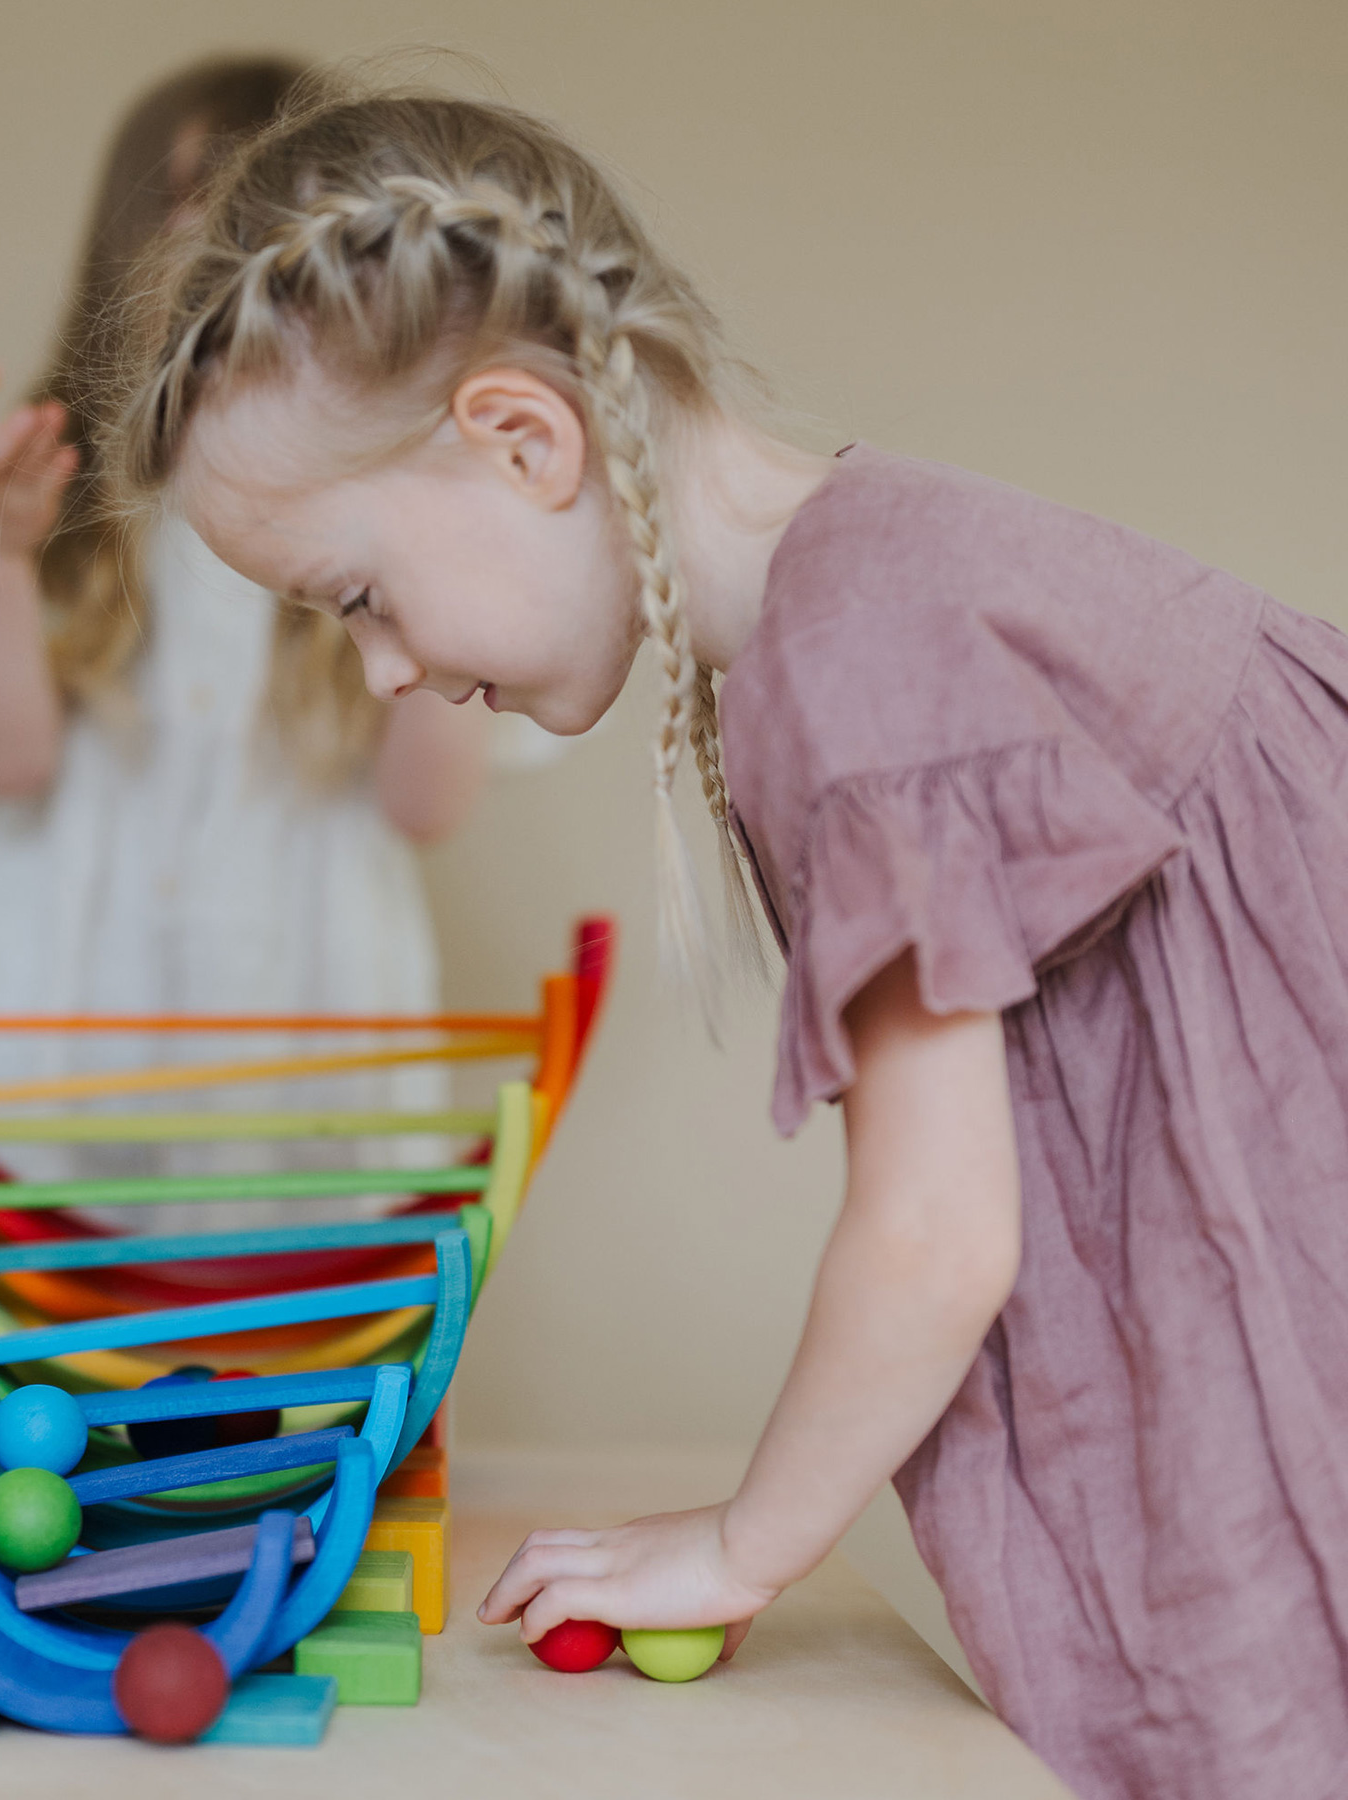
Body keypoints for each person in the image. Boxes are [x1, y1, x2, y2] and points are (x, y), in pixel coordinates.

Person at [105, 78, 1348, 1800]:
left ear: (521, 438)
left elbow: (936, 1235)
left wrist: (741, 1545)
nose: (382, 672)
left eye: (359, 599)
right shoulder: (860, 585)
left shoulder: (850, 655)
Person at [0, 57, 509, 1446]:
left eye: (279, 200)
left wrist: (448, 533)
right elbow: (8, 759)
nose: (226, 235)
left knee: (280, 1399)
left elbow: (428, 804)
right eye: (197, 197)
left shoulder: (388, 522)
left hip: (301, 1069)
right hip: (49, 1047)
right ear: (134, 240)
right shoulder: (57, 493)